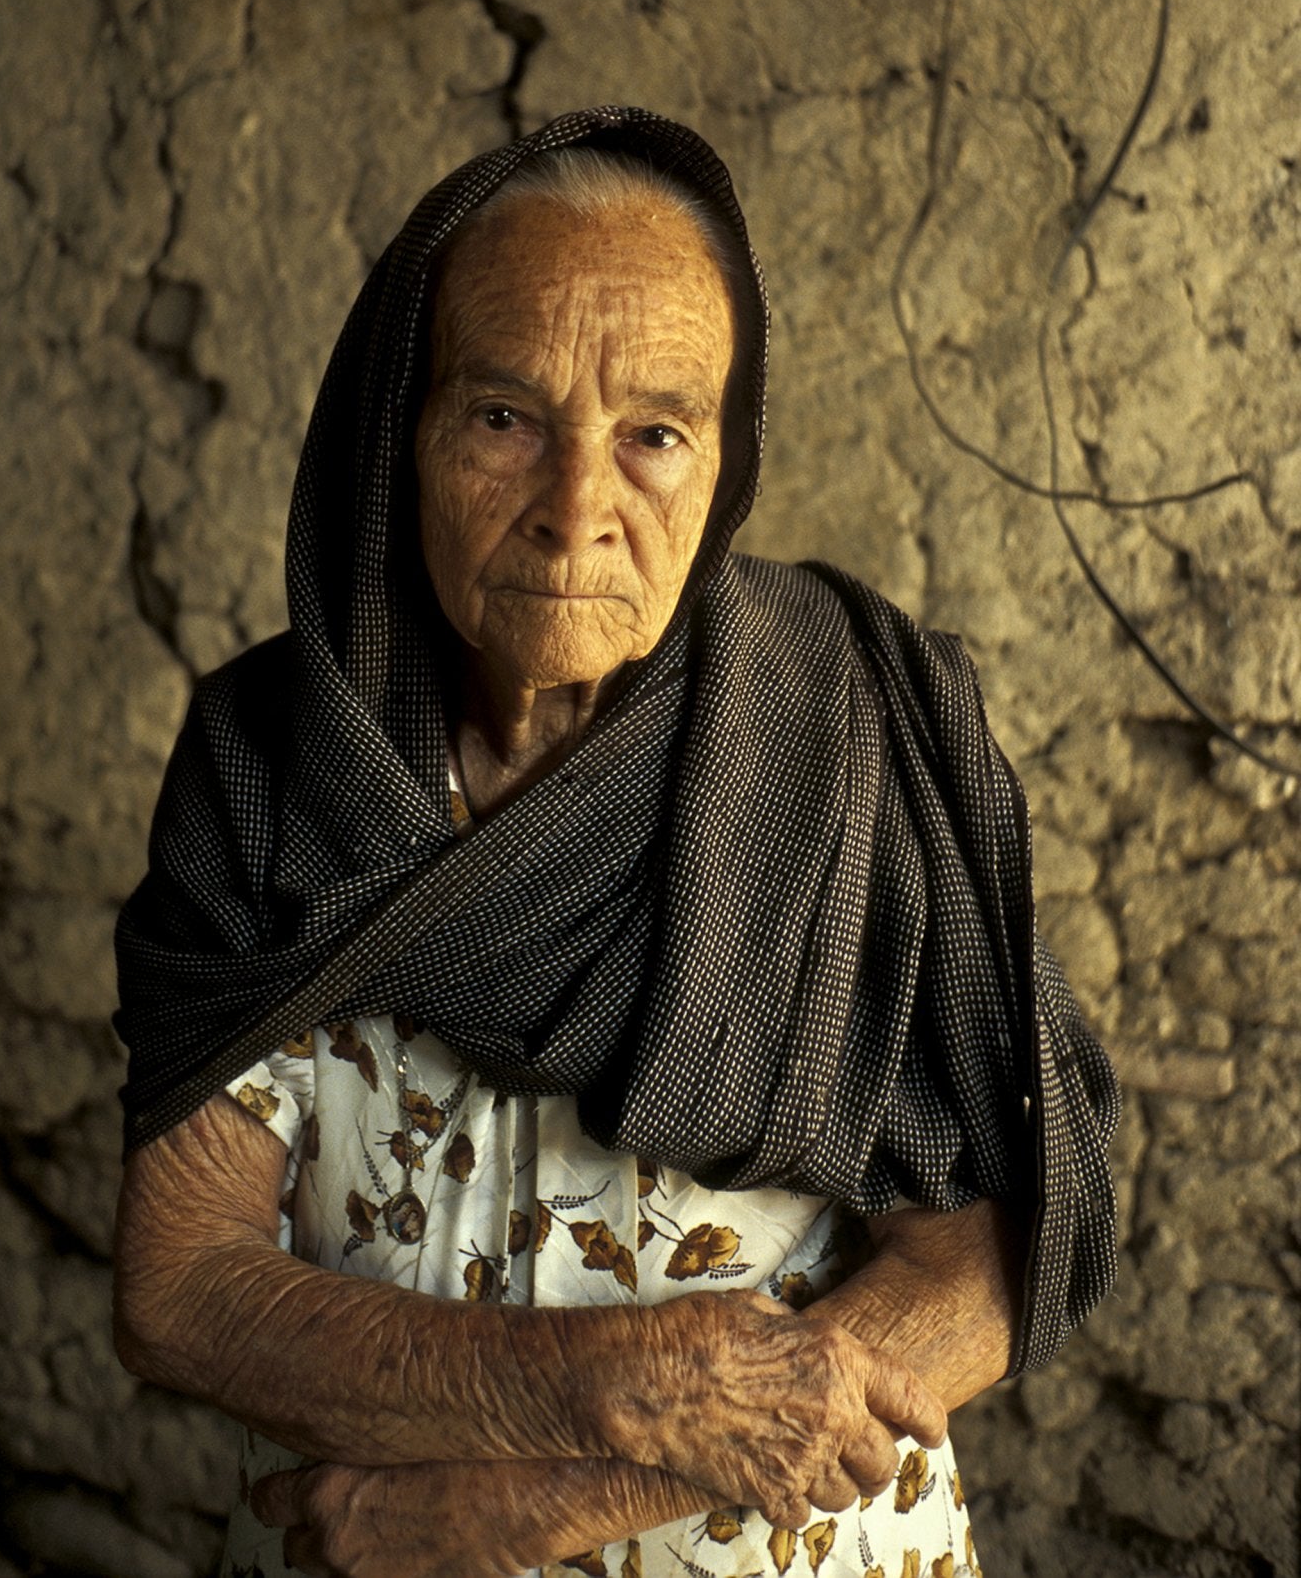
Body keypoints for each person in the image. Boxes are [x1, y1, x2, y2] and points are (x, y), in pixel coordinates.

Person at [112, 105, 1120, 1578]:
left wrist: (533, 1505)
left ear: (726, 462)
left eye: (654, 434)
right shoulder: (275, 755)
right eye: (503, 419)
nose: (576, 510)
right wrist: (619, 1385)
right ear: (404, 431)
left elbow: (981, 1258)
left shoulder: (846, 729)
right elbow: (180, 1286)